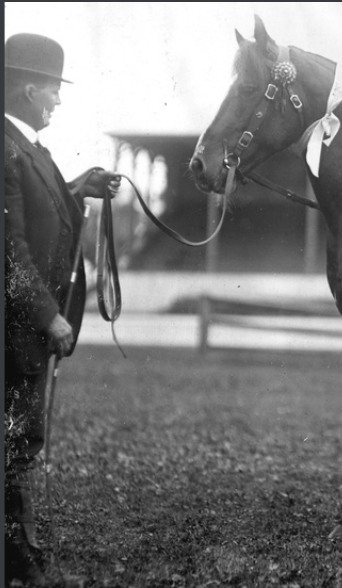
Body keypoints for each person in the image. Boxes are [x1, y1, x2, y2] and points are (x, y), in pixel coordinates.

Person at [5, 32, 120, 586]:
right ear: (29, 89)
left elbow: (37, 208)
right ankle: (19, 562)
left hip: (20, 332)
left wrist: (80, 188)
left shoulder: (24, 146)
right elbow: (10, 249)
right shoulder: (7, 147)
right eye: (53, 89)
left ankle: (19, 552)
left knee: (21, 437)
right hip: (15, 331)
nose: (57, 100)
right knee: (16, 440)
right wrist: (50, 314)